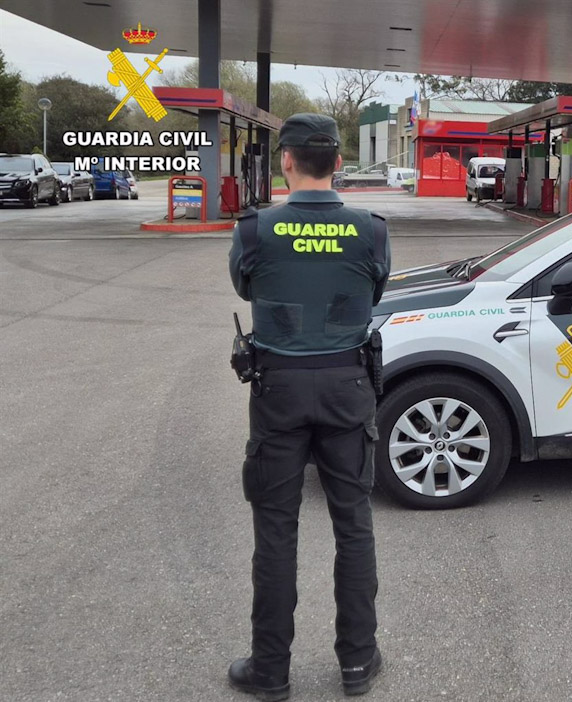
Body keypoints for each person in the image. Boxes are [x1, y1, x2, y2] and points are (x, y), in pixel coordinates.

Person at [226, 113, 391, 701]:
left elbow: (247, 288)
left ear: (286, 161)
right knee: (354, 525)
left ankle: (270, 670)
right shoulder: (371, 229)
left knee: (275, 528)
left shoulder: (254, 230)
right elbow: (373, 289)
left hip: (280, 391)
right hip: (348, 387)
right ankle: (357, 661)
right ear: (338, 164)